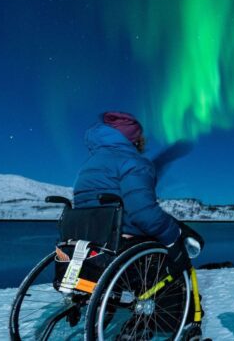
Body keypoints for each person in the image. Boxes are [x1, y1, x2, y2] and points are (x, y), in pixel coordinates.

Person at [73, 111, 191, 277]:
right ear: (135, 140)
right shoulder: (134, 162)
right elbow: (143, 213)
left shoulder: (91, 164)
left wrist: (167, 157)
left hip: (88, 239)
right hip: (121, 241)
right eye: (141, 138)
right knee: (178, 243)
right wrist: (174, 235)